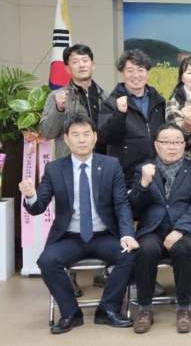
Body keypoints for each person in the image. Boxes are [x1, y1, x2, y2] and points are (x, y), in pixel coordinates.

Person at [18, 115, 137, 334]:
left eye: (86, 134)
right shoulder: (54, 169)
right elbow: (38, 207)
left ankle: (108, 310)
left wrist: (127, 235)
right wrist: (31, 196)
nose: (81, 140)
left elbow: (121, 204)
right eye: (75, 135)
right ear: (66, 139)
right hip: (70, 237)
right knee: (46, 261)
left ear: (95, 137)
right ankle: (71, 313)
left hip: (104, 234)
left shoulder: (111, 165)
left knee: (129, 254)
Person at [38, 44, 109, 295]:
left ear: (93, 64)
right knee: (68, 219)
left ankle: (103, 271)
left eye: (85, 60)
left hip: (102, 167)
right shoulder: (57, 96)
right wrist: (59, 109)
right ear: (67, 68)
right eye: (75, 62)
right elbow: (47, 131)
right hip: (70, 170)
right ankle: (69, 274)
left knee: (104, 215)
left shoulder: (105, 95)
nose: (81, 65)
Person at [128, 123, 191, 334]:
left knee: (183, 249)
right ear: (156, 145)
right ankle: (145, 309)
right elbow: (134, 208)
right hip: (152, 229)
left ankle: (184, 309)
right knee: (145, 250)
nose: (171, 147)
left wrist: (179, 230)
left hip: (186, 231)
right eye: (166, 142)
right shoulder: (144, 169)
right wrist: (143, 184)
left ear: (184, 145)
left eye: (177, 142)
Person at [98, 49, 166, 189]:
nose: (136, 75)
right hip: (126, 177)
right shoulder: (111, 103)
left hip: (157, 174)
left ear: (147, 73)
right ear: (122, 73)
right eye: (130, 70)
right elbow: (105, 137)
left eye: (140, 70)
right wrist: (119, 114)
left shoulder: (158, 101)